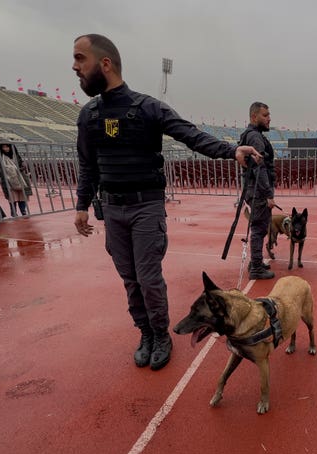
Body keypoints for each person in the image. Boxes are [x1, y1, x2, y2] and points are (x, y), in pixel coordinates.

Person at [71, 34, 261, 372]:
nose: (75, 66)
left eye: (80, 58)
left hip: (146, 207)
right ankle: (144, 333)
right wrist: (81, 204)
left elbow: (191, 135)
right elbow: (87, 164)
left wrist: (231, 150)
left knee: (147, 277)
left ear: (105, 63)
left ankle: (161, 335)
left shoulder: (147, 107)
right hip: (112, 209)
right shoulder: (88, 116)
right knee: (129, 279)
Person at [239, 102, 277, 280]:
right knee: (259, 229)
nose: (269, 118)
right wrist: (268, 194)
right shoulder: (255, 137)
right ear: (254, 117)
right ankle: (255, 268)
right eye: (265, 115)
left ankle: (256, 262)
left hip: (255, 191)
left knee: (259, 229)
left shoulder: (254, 135)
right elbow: (259, 168)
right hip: (259, 192)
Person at [0, 142, 31, 217]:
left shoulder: (16, 155)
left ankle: (23, 211)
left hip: (19, 178)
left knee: (22, 196)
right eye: (3, 147)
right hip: (7, 179)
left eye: (7, 147)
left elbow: (21, 164)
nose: (5, 149)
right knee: (12, 197)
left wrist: (22, 167)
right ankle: (13, 212)